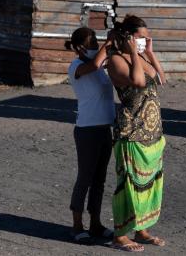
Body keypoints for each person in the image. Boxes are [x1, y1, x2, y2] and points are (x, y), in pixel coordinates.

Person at [105, 15, 167, 252]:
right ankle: (120, 235)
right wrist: (133, 53)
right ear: (129, 38)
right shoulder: (116, 60)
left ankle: (141, 229)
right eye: (141, 38)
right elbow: (139, 81)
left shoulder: (142, 57)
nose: (144, 41)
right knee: (130, 184)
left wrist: (149, 53)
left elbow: (161, 79)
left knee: (150, 183)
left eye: (146, 38)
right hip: (131, 131)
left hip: (152, 131)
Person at [65, 27, 115, 243]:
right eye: (92, 42)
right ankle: (77, 225)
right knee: (85, 177)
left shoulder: (100, 68)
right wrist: (108, 44)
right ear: (79, 47)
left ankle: (96, 222)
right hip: (87, 130)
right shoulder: (76, 66)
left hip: (105, 128)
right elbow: (94, 64)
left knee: (100, 180)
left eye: (97, 41)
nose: (96, 46)